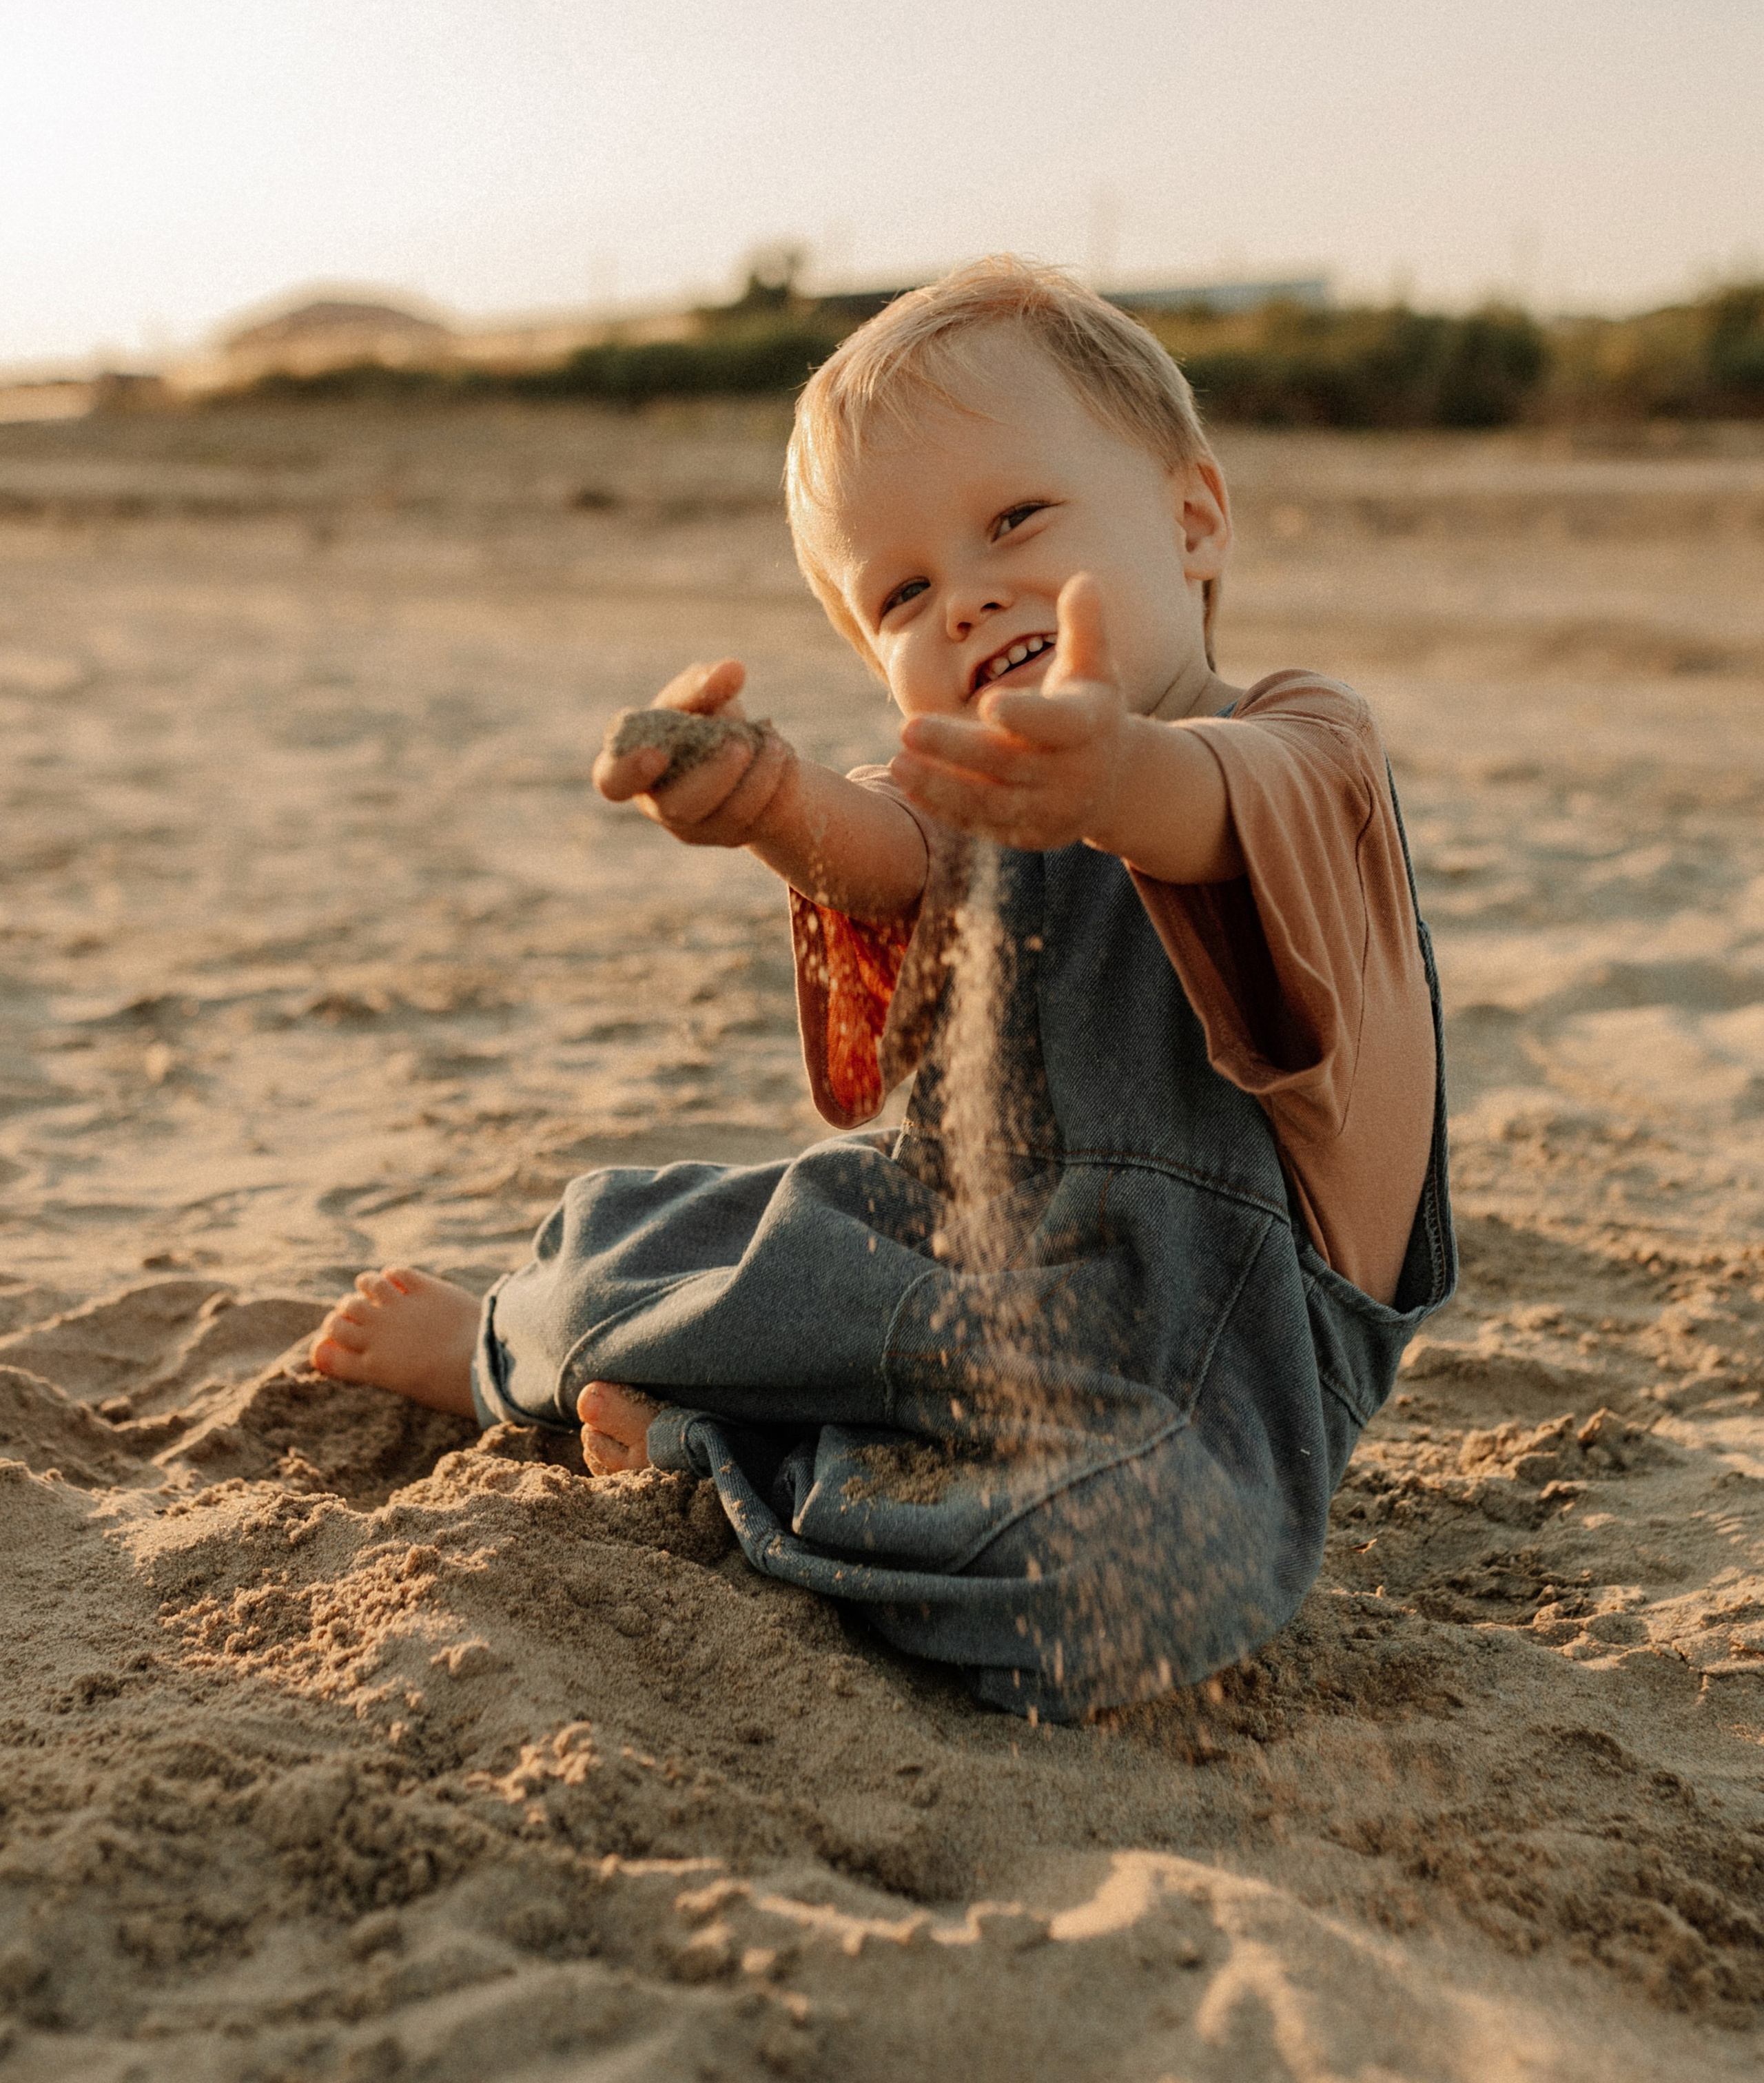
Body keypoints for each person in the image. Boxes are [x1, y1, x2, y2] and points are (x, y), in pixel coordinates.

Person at [311, 256, 1453, 1718]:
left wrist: (1107, 773)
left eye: (1015, 521)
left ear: (1190, 520)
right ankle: (497, 1347)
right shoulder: (977, 785)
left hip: (1213, 1363)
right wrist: (767, 800)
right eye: (903, 593)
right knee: (656, 1250)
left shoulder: (1300, 749)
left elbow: (1207, 805)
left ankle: (702, 1457)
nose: (967, 598)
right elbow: (894, 855)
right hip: (974, 1251)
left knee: (1119, 1586)